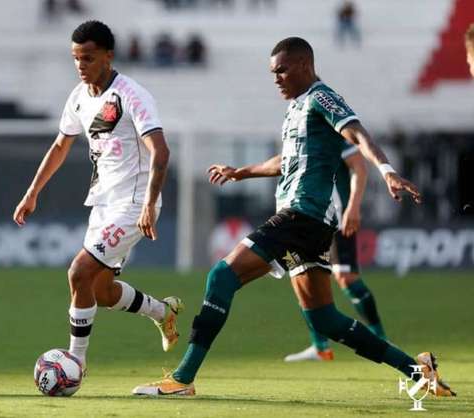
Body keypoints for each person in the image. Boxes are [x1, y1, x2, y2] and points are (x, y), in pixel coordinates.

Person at [132, 37, 456, 397]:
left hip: (303, 214)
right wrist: (242, 172)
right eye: (273, 72)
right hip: (310, 225)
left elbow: (357, 133)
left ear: (304, 64)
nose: (276, 78)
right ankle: (418, 370)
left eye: (282, 70)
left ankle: (183, 378)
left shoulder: (322, 97)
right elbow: (285, 161)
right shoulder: (296, 109)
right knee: (324, 318)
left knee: (222, 275)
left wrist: (387, 169)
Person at [13, 20, 183, 371]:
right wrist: (32, 192)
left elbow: (161, 151)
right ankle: (163, 311)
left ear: (109, 55)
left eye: (88, 58)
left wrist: (149, 204)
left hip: (134, 204)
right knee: (102, 292)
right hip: (103, 204)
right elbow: (60, 145)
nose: (80, 65)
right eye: (76, 58)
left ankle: (75, 363)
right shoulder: (79, 98)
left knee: (78, 273)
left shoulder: (132, 95)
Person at [284, 143, 388, 362]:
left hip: (337, 219)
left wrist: (354, 206)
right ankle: (320, 347)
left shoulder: (336, 135)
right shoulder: (301, 135)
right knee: (303, 279)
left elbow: (359, 167)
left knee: (346, 278)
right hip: (307, 219)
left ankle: (381, 338)